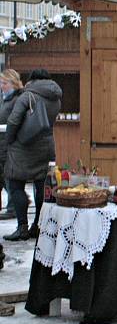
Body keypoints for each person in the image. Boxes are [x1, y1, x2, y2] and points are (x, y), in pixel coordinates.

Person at [3, 69, 62, 241]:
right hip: (46, 145)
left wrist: (10, 140)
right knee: (40, 186)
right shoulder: (56, 97)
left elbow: (13, 121)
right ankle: (38, 225)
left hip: (23, 147)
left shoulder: (27, 96)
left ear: (32, 80)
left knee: (15, 184)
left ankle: (22, 228)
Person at [0, 69, 24, 221]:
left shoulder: (16, 100)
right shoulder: (5, 99)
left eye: (4, 83)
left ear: (13, 84)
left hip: (9, 145)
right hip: (3, 144)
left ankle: (13, 207)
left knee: (9, 178)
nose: (2, 86)